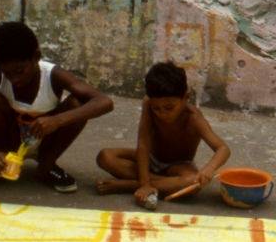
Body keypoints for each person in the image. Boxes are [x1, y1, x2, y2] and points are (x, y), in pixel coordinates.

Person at [0, 21, 114, 193]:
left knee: (77, 103)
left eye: (19, 71)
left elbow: (104, 102)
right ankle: (2, 165)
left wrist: (57, 120)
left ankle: (46, 167)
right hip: (10, 142)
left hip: (47, 141)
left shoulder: (54, 75)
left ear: (36, 56)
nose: (14, 79)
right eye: (7, 73)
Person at [95, 61, 230, 207]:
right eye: (156, 109)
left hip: (178, 166)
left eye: (169, 107)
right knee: (105, 157)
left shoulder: (194, 118)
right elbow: (143, 143)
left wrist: (208, 169)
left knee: (192, 182)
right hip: (150, 159)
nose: (162, 114)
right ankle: (152, 184)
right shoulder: (148, 103)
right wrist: (145, 183)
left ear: (186, 97)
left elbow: (223, 148)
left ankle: (130, 185)